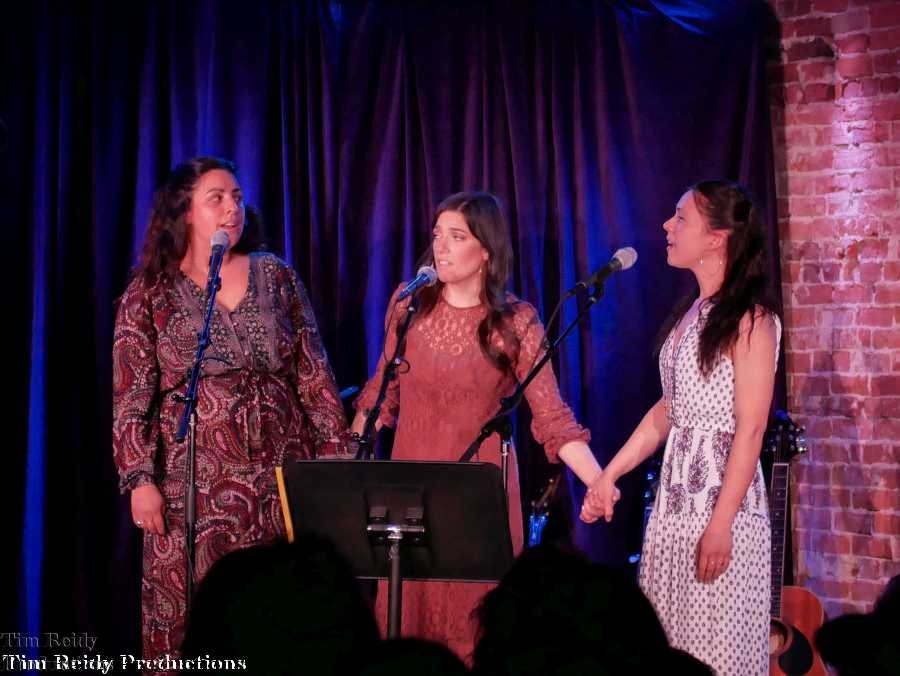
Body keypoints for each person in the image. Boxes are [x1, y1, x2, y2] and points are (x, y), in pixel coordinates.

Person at [112, 157, 350, 665]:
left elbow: (314, 375)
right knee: (196, 622)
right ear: (185, 210)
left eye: (237, 197)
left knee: (279, 615)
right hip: (191, 492)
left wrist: (335, 464)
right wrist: (139, 479)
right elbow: (131, 395)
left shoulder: (276, 275)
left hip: (279, 480)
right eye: (216, 198)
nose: (232, 208)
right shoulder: (150, 292)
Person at [351, 191, 605, 660]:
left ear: (486, 250)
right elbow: (380, 393)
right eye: (437, 235)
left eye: (456, 237)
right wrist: (347, 459)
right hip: (411, 488)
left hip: (477, 497)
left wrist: (598, 480)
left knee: (473, 630)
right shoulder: (409, 306)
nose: (440, 247)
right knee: (406, 625)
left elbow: (552, 417)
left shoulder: (515, 321)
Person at [581, 180, 781, 676]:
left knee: (717, 650)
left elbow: (751, 428)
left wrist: (720, 524)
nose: (667, 226)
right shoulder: (691, 314)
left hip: (721, 508)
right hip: (674, 509)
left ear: (716, 237)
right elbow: (667, 412)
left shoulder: (752, 321)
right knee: (670, 649)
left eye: (681, 217)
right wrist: (609, 475)